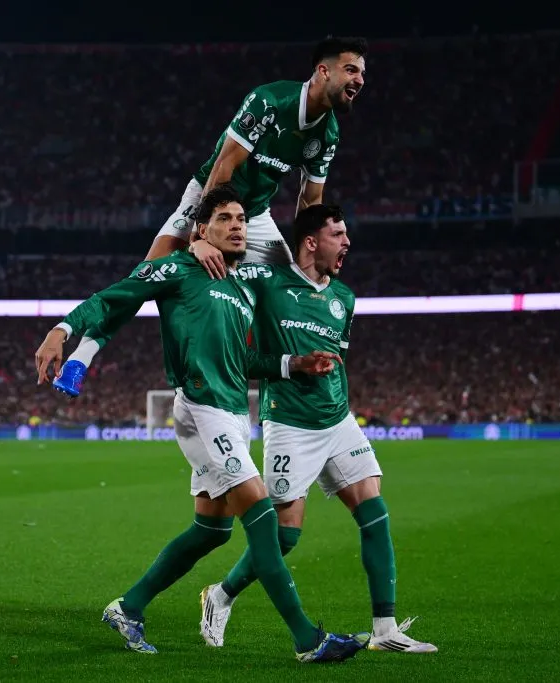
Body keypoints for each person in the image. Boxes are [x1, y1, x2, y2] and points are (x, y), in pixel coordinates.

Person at [34, 185, 368, 662]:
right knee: (261, 517)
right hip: (202, 403)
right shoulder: (182, 269)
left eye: (240, 219)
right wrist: (63, 331)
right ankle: (307, 639)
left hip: (231, 409)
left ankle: (128, 607)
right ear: (203, 229)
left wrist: (293, 365)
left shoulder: (242, 285)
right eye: (225, 218)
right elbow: (115, 298)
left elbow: (246, 359)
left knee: (212, 530)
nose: (237, 225)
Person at [54, 36, 368, 396]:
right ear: (323, 70)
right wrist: (201, 238)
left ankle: (289, 386)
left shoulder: (328, 133)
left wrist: (309, 255)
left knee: (291, 287)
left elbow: (311, 201)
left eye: (362, 73)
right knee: (147, 274)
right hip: (206, 197)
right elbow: (224, 166)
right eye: (351, 70)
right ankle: (81, 357)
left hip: (255, 216)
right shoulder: (270, 101)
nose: (359, 79)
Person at [198, 204, 437, 653]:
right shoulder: (267, 283)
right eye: (338, 234)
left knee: (374, 509)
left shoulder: (344, 298)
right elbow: (240, 351)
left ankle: (384, 630)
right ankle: (220, 594)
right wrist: (196, 242)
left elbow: (337, 357)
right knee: (285, 534)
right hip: (290, 424)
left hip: (338, 419)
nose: (347, 243)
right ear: (312, 241)